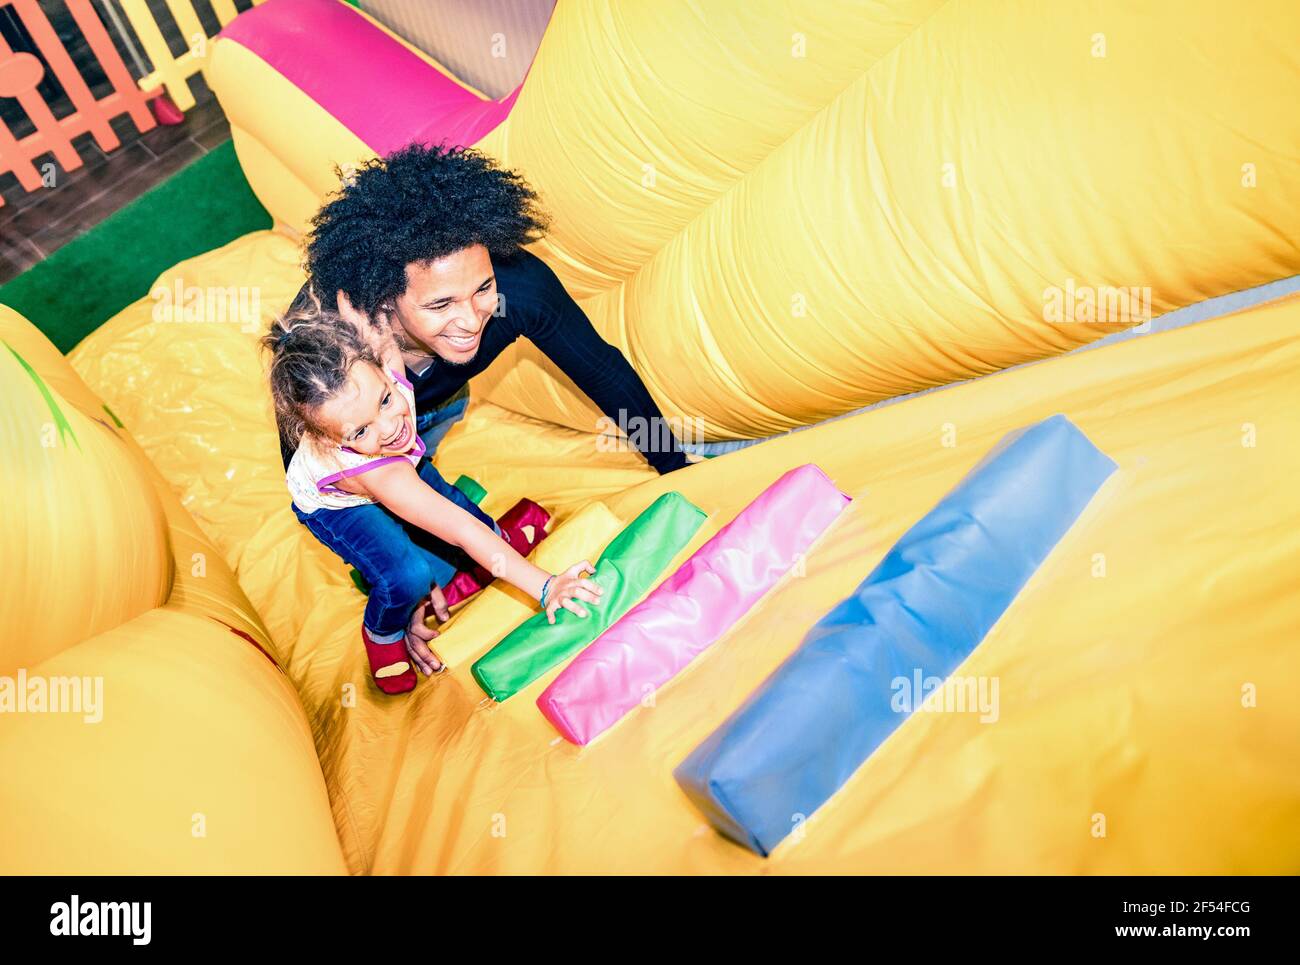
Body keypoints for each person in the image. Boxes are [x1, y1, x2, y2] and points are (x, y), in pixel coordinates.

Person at [264, 295, 603, 695]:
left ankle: (473, 564)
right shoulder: (383, 470)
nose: (390, 427)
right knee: (406, 574)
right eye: (360, 431)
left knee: (469, 520)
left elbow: (382, 344)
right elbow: (456, 529)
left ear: (381, 370)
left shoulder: (380, 379)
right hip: (340, 505)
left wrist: (369, 319)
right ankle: (384, 630)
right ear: (325, 440)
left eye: (387, 400)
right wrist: (545, 587)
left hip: (395, 463)